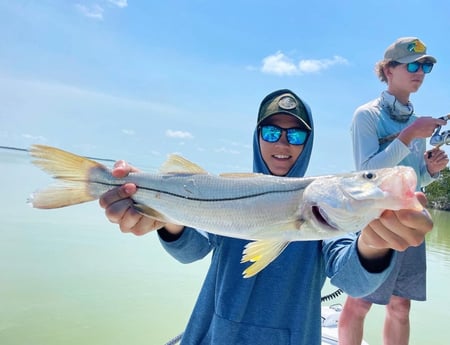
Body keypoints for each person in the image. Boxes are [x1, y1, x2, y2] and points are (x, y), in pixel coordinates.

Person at [99, 89, 433, 345]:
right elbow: (191, 251)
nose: (283, 143)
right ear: (257, 137)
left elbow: (354, 280)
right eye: (271, 132)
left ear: (309, 142)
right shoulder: (230, 190)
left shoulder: (327, 209)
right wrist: (166, 213)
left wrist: (373, 244)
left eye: (296, 135)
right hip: (211, 334)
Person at [339, 37, 449, 345]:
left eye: (425, 66)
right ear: (388, 70)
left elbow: (415, 183)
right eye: (412, 65)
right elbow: (367, 173)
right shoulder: (367, 115)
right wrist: (411, 133)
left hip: (411, 218)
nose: (421, 72)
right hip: (376, 219)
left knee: (401, 305)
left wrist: (430, 170)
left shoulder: (419, 123)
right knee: (359, 300)